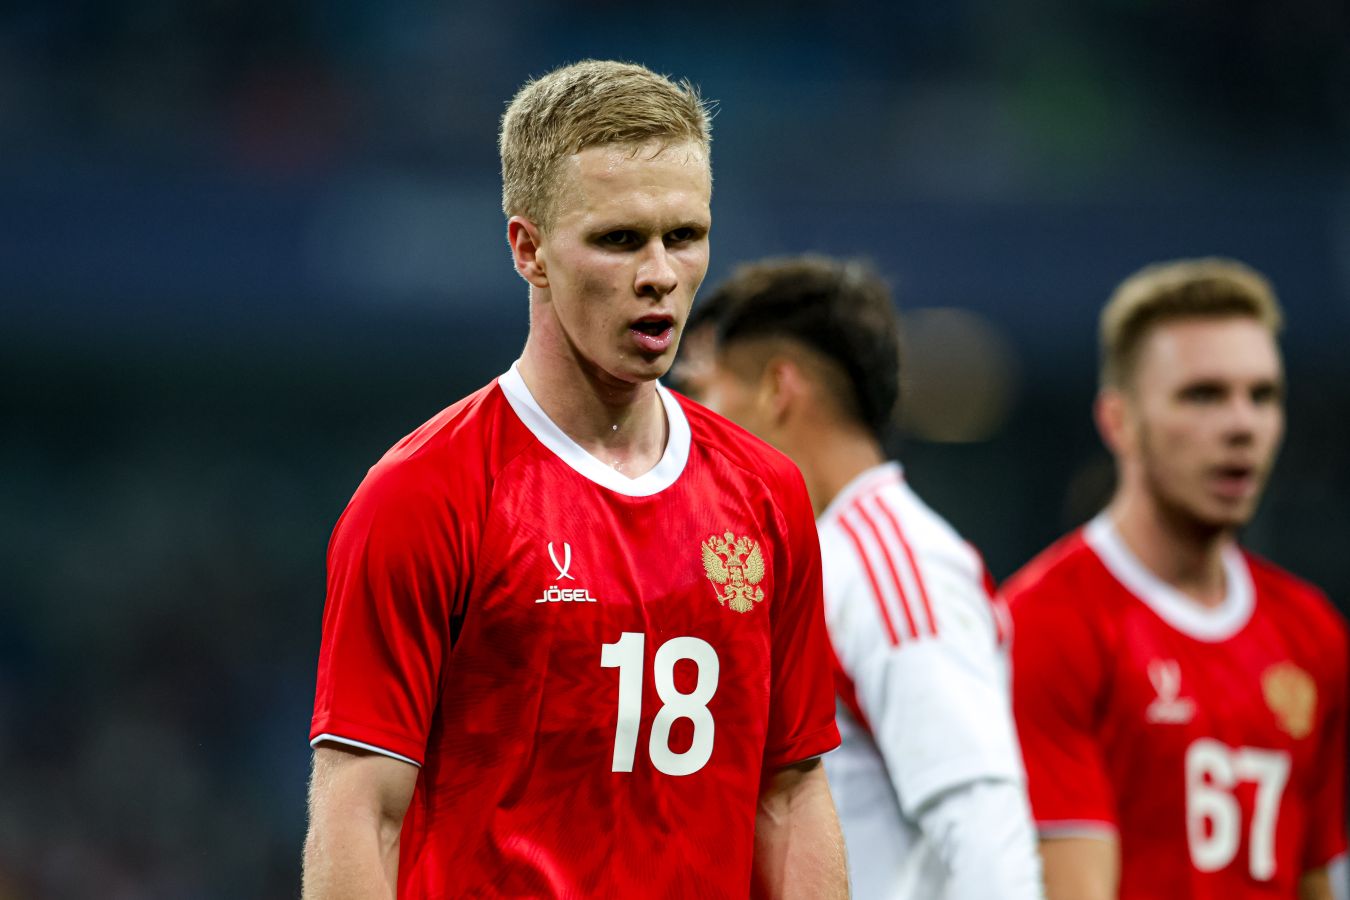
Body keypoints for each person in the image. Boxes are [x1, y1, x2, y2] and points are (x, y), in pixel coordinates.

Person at [301, 61, 847, 900]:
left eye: (685, 235)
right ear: (530, 250)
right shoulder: (426, 494)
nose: (660, 272)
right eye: (620, 239)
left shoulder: (767, 493)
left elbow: (791, 789)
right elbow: (360, 808)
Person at [674, 255, 1044, 899]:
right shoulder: (811, 557)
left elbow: (986, 824)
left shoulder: (894, 564)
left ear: (776, 387)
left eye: (705, 392)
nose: (692, 423)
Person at [1003, 258, 1348, 900]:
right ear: (1118, 422)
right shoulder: (1045, 622)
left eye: (1263, 395)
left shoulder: (1312, 631)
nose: (1243, 425)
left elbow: (1316, 877)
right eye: (1204, 395)